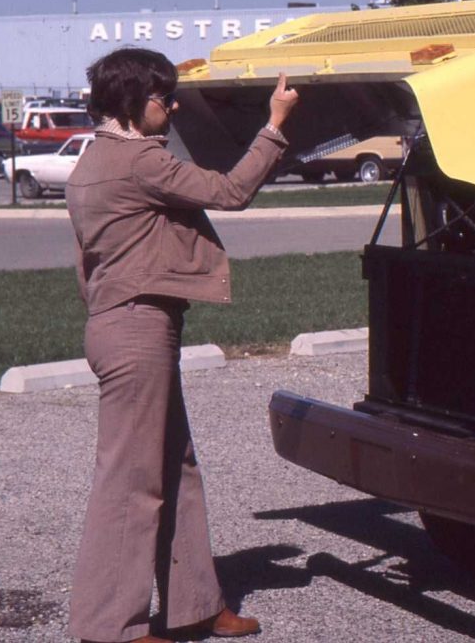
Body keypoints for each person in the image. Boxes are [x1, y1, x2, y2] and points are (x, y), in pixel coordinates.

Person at [64, 47, 299, 643]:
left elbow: (85, 265)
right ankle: (113, 626)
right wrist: (274, 126)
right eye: (163, 97)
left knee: (176, 465)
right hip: (138, 326)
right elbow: (229, 192)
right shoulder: (138, 162)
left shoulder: (91, 163)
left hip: (126, 323)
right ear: (134, 103)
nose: (171, 107)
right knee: (132, 480)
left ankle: (194, 605)